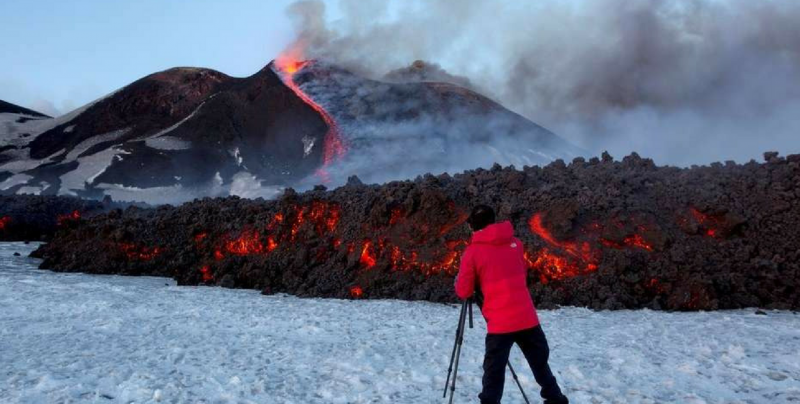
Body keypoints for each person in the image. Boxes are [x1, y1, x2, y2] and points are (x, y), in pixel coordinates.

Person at [455, 205, 569, 404]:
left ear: (473, 226)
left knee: (494, 371)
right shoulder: (516, 243)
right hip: (527, 318)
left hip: (501, 323)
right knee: (540, 364)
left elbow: (464, 291)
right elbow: (521, 274)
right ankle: (556, 400)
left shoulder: (472, 252)